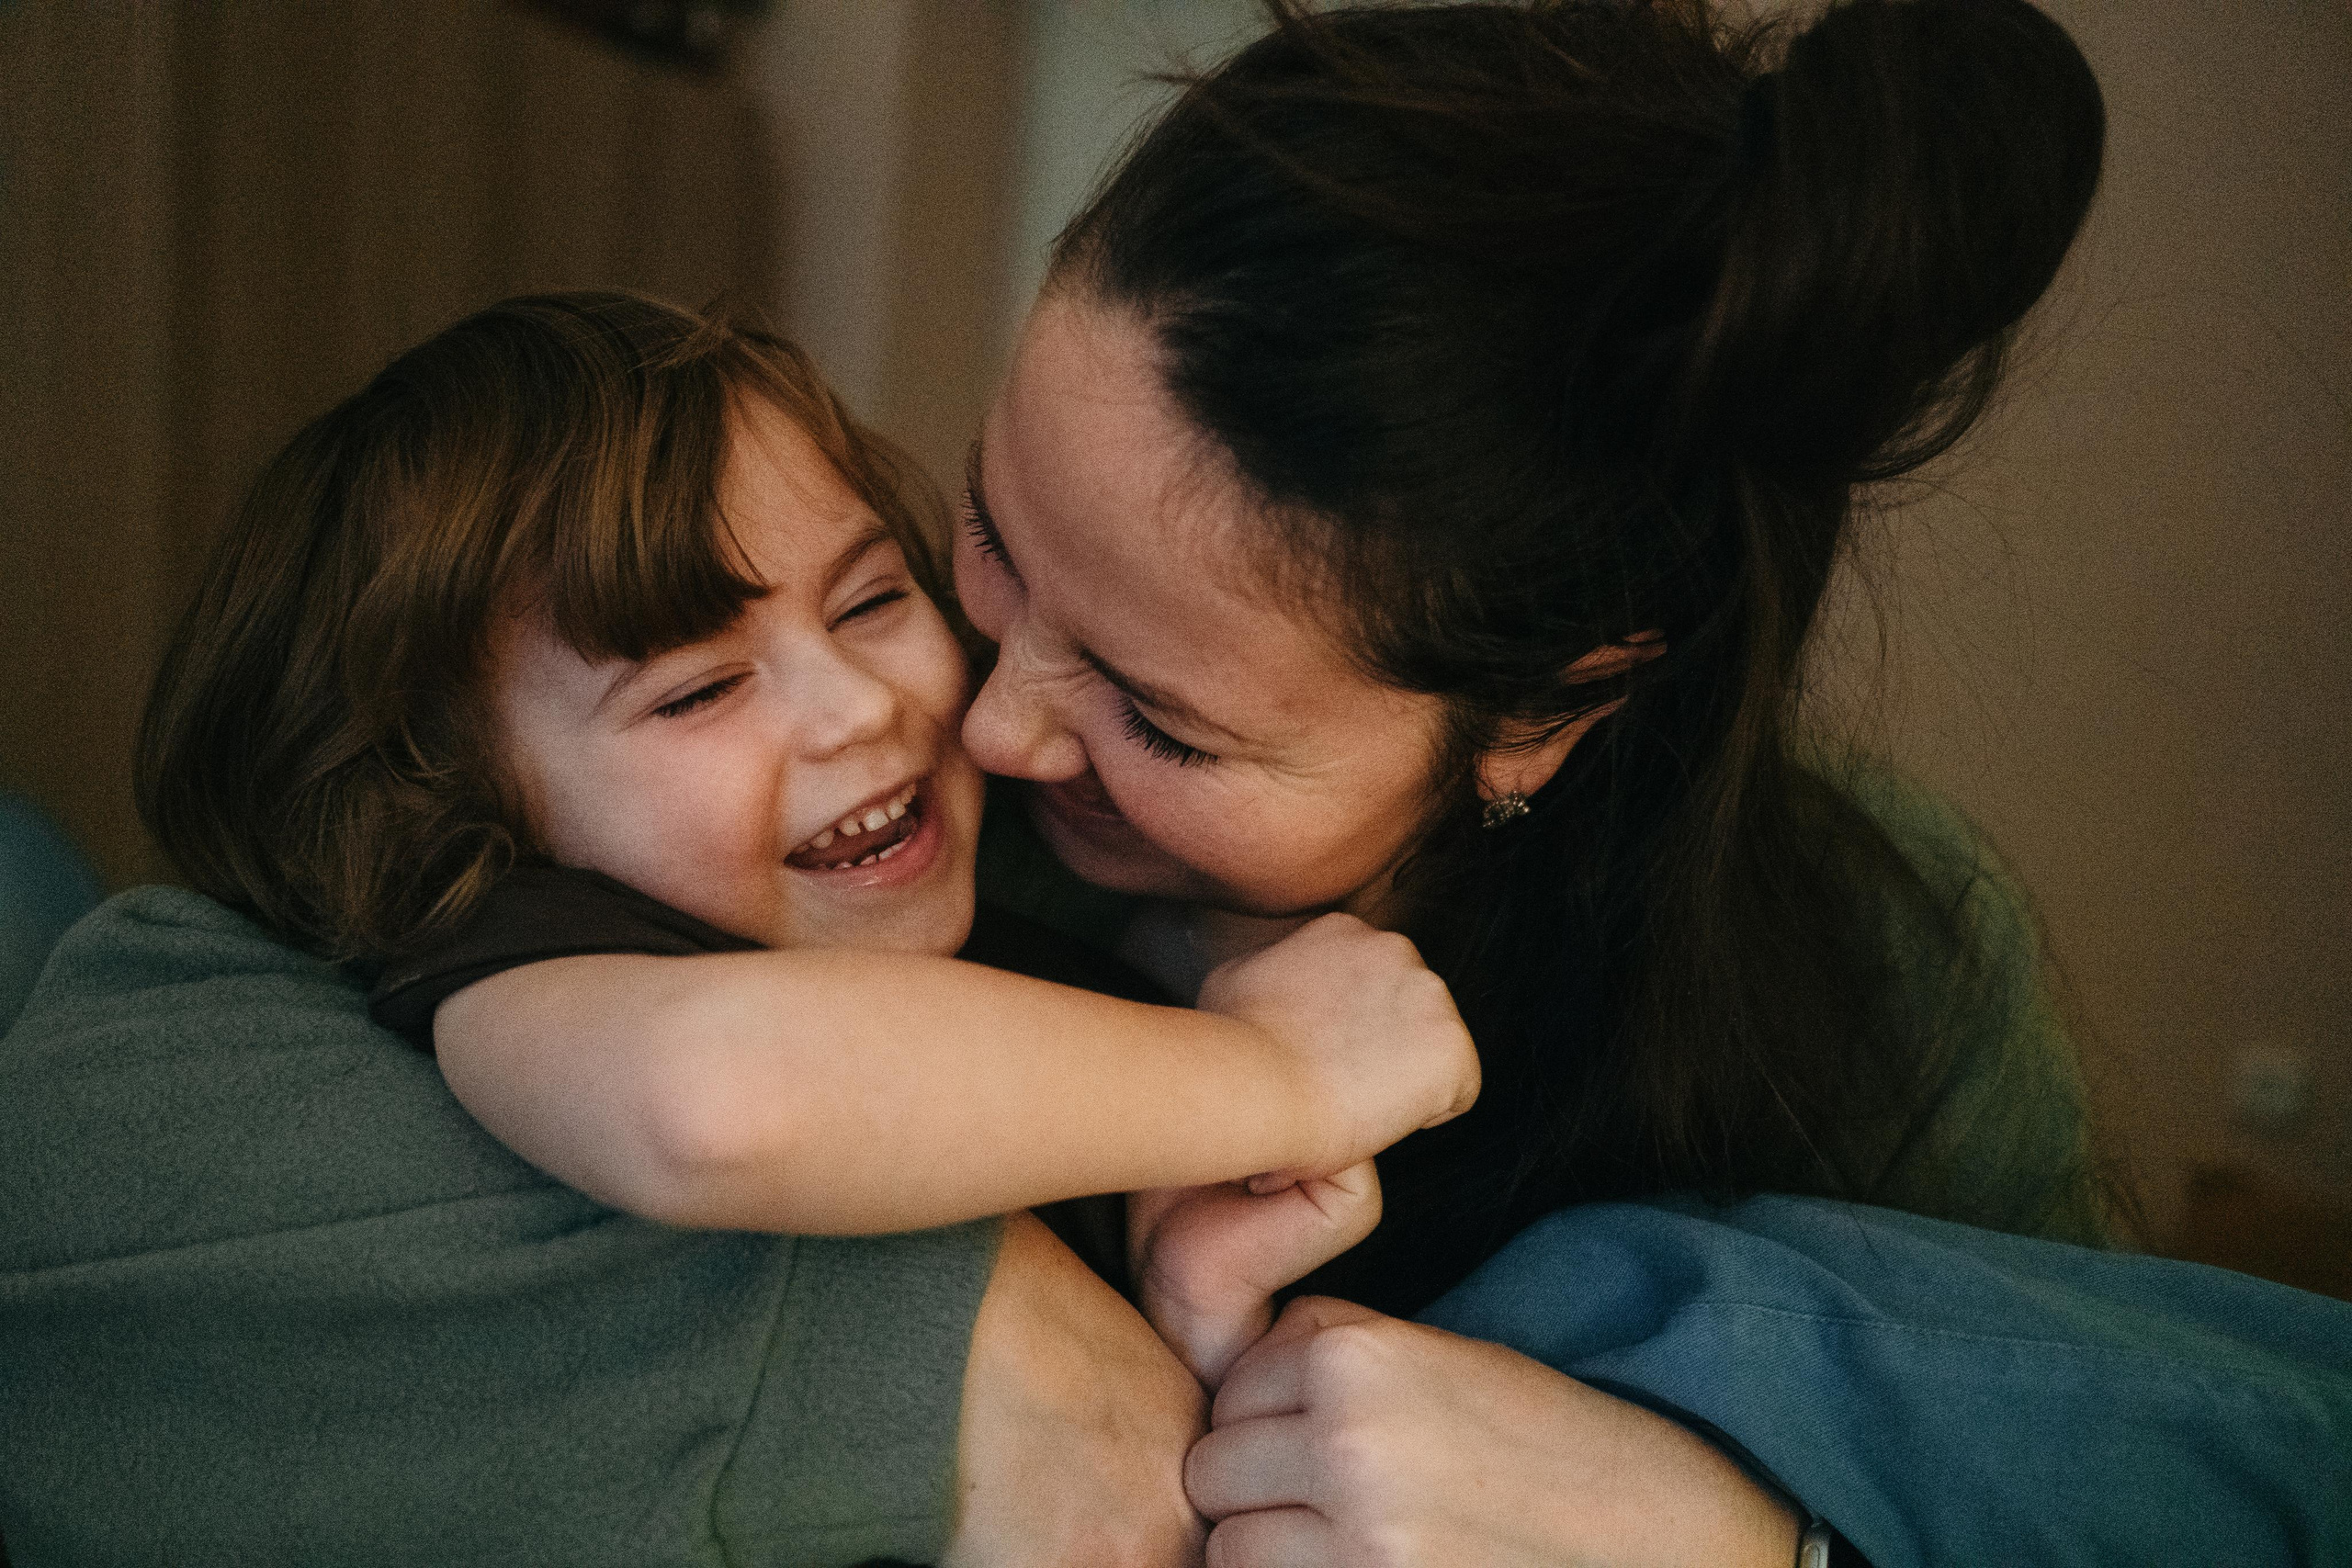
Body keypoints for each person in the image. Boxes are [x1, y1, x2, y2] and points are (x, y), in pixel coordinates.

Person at [939, 0, 2346, 1560]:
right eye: (994, 536)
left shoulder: (1880, 985)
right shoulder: (822, 767)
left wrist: (1752, 1540)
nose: (990, 724)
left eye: (1163, 722)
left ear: (1548, 711)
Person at [9, 290, 1433, 1565]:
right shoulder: (529, 946)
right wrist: (1281, 1084)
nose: (856, 706)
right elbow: (715, 1100)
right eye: (696, 693)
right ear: (457, 812)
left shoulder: (1013, 963)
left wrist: (1185, 1305)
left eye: (872, 600)